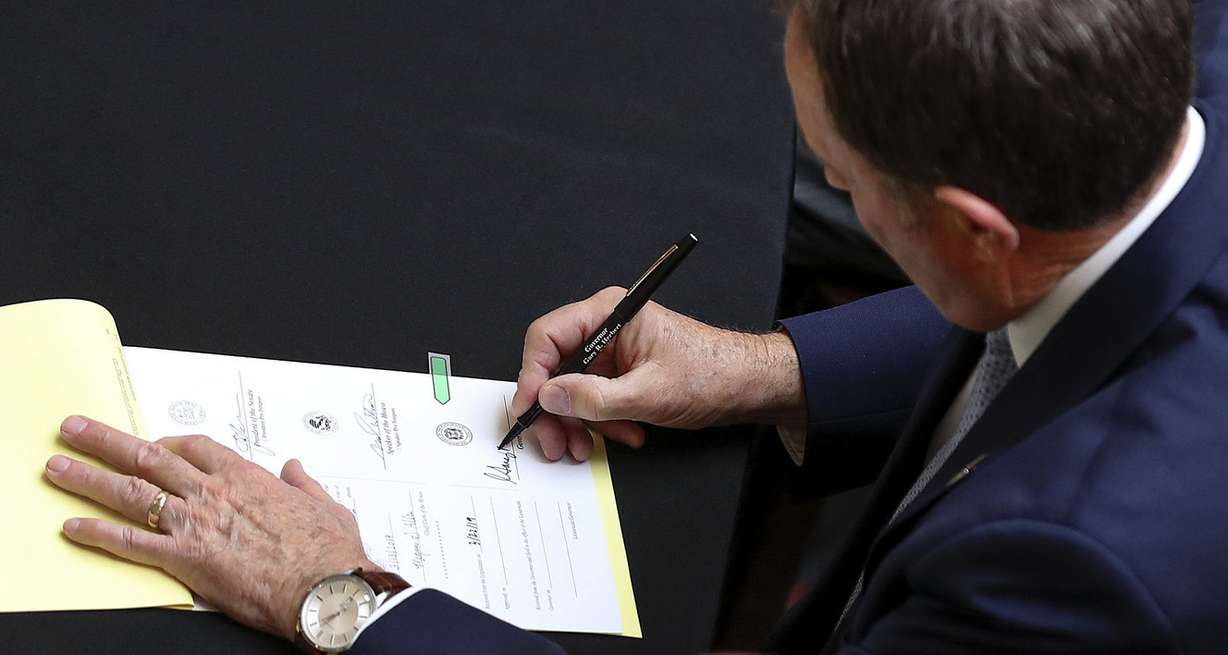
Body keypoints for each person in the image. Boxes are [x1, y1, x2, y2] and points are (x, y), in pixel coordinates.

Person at [42, 0, 1228, 652]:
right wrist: (768, 370)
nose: (825, 182)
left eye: (842, 177)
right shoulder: (1180, 99)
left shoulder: (1064, 577)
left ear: (976, 229)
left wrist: (339, 593)